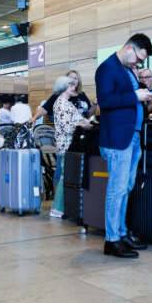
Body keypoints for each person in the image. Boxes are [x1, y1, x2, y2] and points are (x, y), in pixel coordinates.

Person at [94, 33, 152, 258]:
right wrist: (134, 96)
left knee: (126, 188)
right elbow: (106, 102)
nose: (138, 63)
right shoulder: (107, 68)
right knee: (116, 190)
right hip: (117, 139)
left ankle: (120, 233)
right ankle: (112, 240)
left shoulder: (127, 70)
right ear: (129, 48)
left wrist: (144, 98)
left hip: (132, 136)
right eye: (138, 59)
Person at [50, 75, 94, 219]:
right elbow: (66, 127)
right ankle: (57, 208)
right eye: (70, 85)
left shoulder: (65, 103)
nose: (73, 88)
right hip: (66, 144)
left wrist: (84, 122)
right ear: (64, 87)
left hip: (67, 143)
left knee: (65, 176)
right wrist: (83, 124)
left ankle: (60, 208)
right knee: (64, 177)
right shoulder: (62, 104)